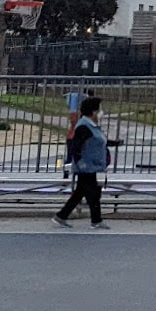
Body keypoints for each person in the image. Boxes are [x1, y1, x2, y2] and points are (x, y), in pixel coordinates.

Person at [55, 95, 110, 228]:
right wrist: (80, 162)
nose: (101, 112)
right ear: (93, 112)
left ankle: (62, 215)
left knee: (81, 192)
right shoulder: (84, 127)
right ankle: (96, 220)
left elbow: (96, 141)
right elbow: (76, 146)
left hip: (91, 165)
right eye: (99, 109)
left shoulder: (91, 126)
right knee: (93, 193)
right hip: (86, 166)